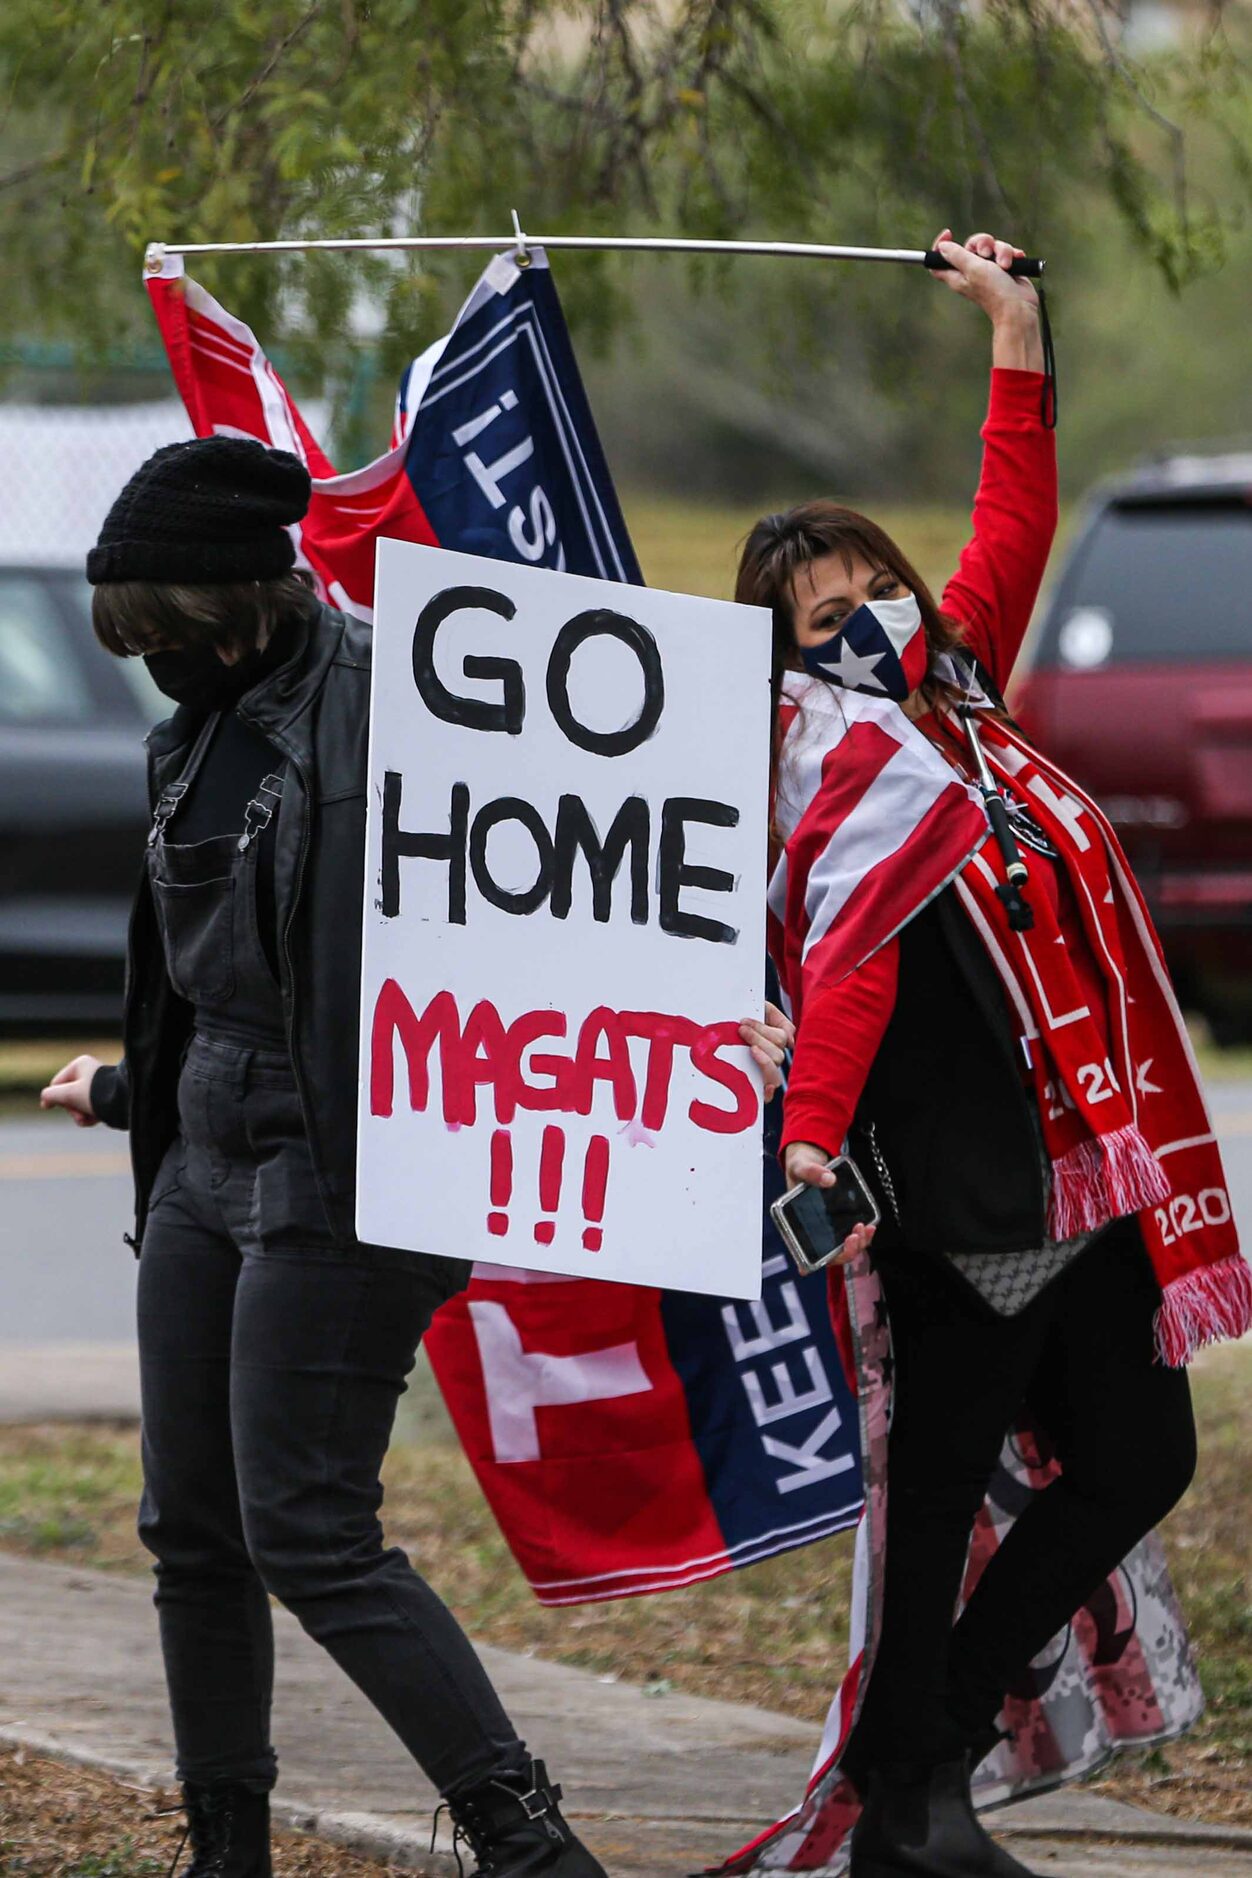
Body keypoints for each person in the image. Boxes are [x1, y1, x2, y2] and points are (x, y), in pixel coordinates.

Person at [41, 437, 793, 1878]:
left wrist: (691, 1022)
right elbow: (224, 979)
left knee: (308, 1528)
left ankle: (528, 1841)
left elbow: (566, 874)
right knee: (192, 1530)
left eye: (163, 631)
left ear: (242, 599)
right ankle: (227, 1847)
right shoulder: (189, 730)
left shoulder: (406, 705)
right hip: (204, 1145)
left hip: (350, 1159)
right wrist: (137, 1086)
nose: (150, 662)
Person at [735, 229, 1249, 1878]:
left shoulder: (961, 694)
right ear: (780, 658)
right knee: (930, 1524)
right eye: (825, 620)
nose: (867, 625)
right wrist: (808, 1135)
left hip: (1088, 1175)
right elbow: (854, 971)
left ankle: (930, 1752)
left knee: (1141, 1456)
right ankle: (911, 1805)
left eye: (876, 589)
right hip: (957, 1202)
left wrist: (1020, 333)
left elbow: (1016, 517)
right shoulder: (833, 779)